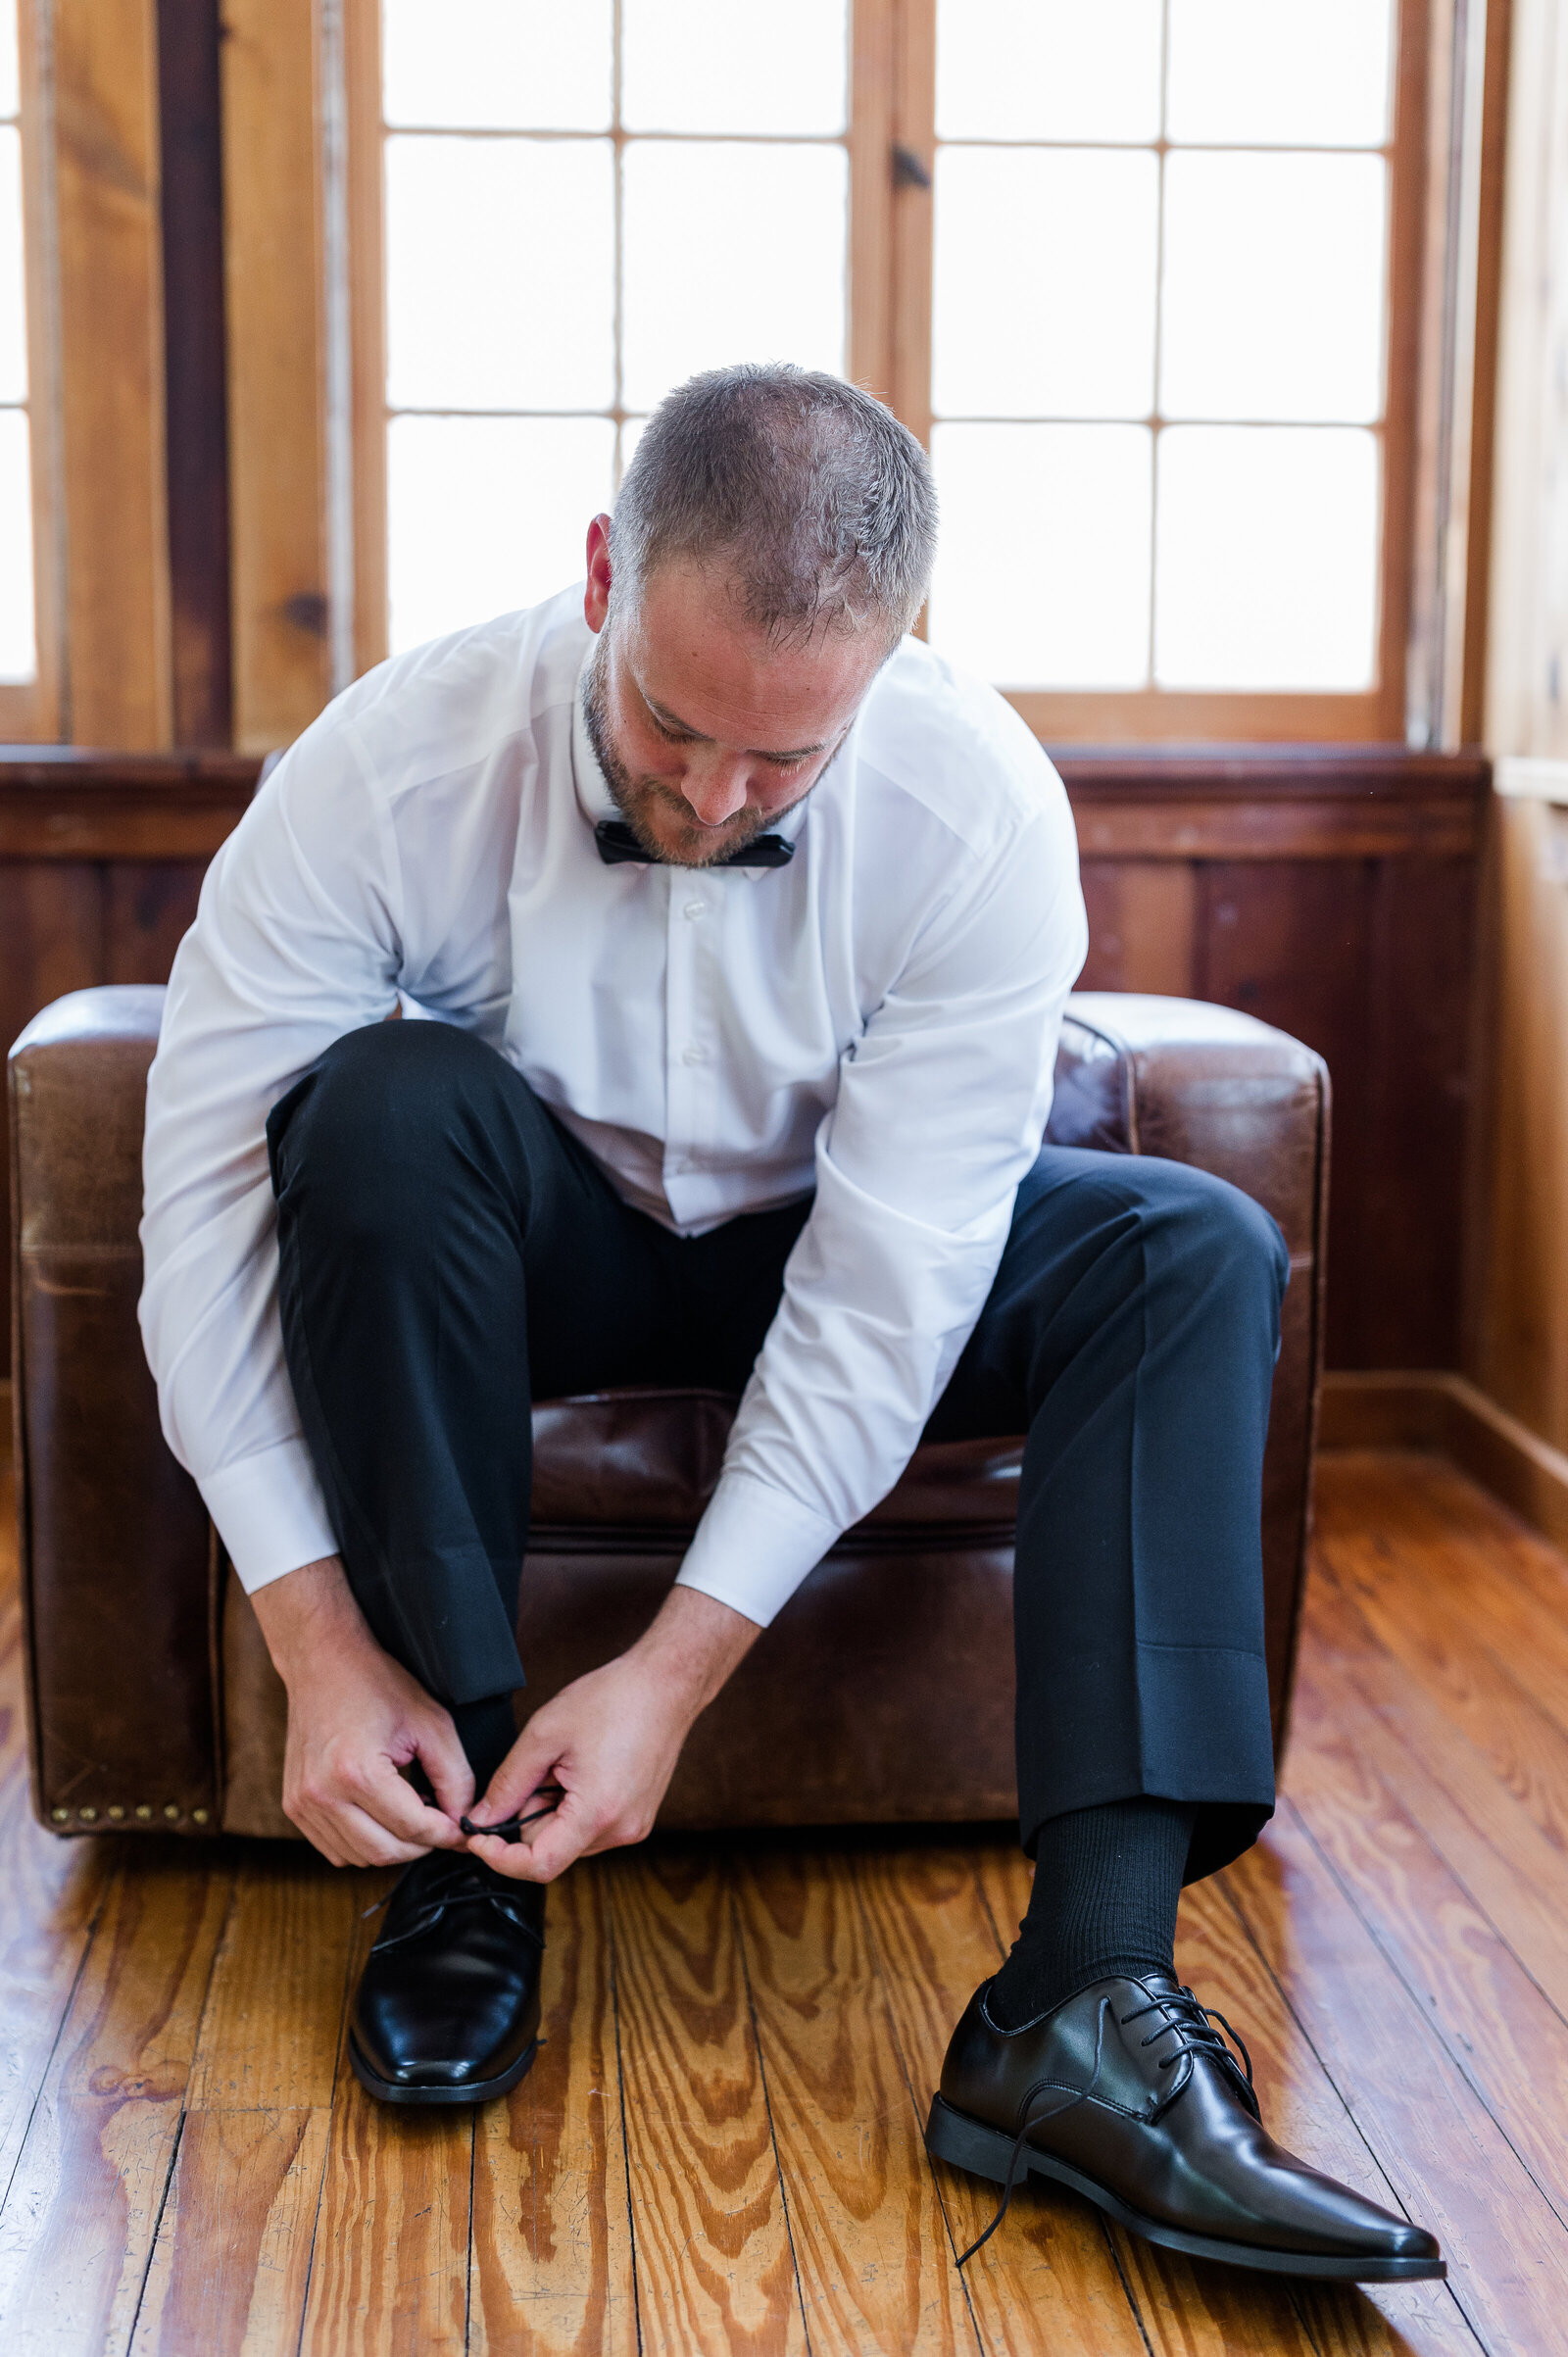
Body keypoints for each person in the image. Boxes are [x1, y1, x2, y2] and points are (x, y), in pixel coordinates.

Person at [139, 364, 1441, 2284]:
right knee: (375, 1113)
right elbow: (205, 1198)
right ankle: (456, 1864)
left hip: (820, 1243)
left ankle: (1077, 2010)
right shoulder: (388, 762)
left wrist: (667, 1674)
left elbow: (886, 1279)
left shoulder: (973, 803)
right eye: (672, 730)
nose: (708, 799)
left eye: (781, 765)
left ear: (888, 662)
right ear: (600, 571)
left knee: (1192, 1250)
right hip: (540, 1229)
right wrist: (310, 1642)